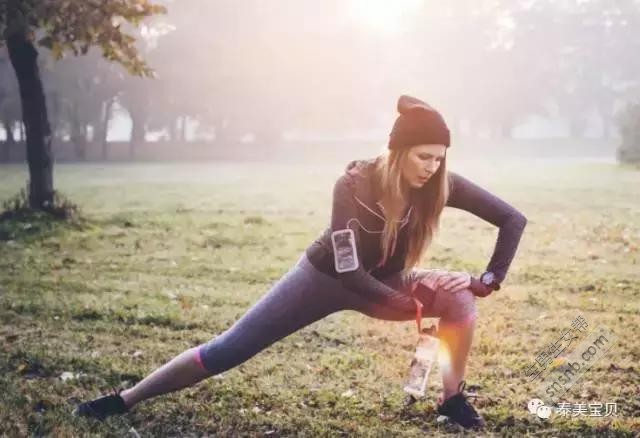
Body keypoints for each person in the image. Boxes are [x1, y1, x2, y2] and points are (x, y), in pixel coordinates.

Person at [75, 95, 527, 430]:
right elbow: (349, 270)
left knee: (461, 299)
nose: (431, 167)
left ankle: (452, 400)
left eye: (439, 158)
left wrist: (488, 279)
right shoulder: (354, 183)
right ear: (398, 151)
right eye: (423, 156)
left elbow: (512, 218)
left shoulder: (442, 185)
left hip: (386, 283)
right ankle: (126, 399)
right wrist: (404, 303)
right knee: (228, 350)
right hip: (323, 280)